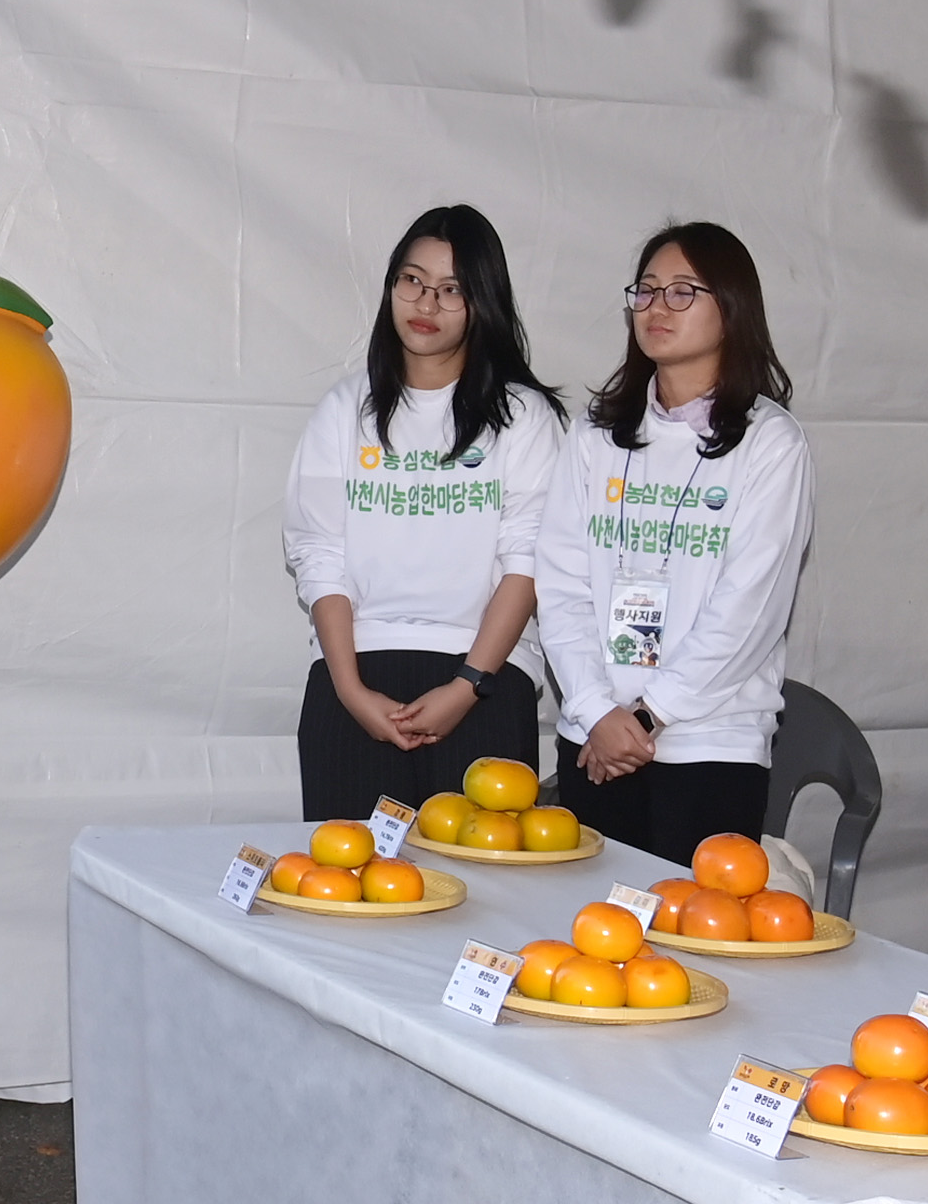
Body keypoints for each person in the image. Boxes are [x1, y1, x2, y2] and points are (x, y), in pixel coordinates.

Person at [534, 222, 816, 863]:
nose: (657, 307)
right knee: (594, 942)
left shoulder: (770, 442)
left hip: (707, 743)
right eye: (648, 290)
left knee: (687, 950)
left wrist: (644, 719)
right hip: (594, 740)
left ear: (733, 309)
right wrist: (595, 710)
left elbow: (750, 608)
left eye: (684, 291)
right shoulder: (597, 434)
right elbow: (560, 583)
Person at [280, 204, 562, 819]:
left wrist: (468, 686)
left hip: (486, 681)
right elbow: (317, 554)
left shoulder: (524, 417)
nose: (426, 304)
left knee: (486, 902)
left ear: (483, 301)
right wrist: (350, 691)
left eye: (451, 290)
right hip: (357, 675)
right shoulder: (344, 408)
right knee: (347, 896)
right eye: (411, 281)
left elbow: (528, 561)